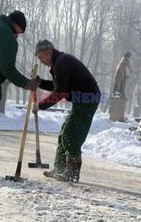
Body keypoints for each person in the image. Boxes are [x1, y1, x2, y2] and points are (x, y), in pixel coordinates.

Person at [0, 10, 39, 179]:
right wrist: (27, 83)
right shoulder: (7, 35)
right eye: (19, 32)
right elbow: (7, 68)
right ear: (16, 26)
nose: (18, 36)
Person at [32, 39, 100, 182]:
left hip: (87, 99)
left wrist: (40, 106)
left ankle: (72, 173)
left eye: (42, 57)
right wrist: (40, 82)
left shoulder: (61, 63)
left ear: (49, 52)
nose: (42, 61)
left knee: (70, 134)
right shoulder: (60, 62)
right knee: (64, 132)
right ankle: (59, 168)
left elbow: (59, 93)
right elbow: (60, 85)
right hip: (82, 99)